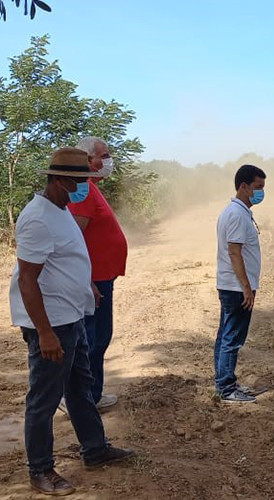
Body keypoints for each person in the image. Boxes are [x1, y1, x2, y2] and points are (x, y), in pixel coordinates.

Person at [9, 147, 133, 496]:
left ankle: (95, 449)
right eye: (79, 181)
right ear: (60, 181)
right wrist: (45, 333)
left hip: (72, 316)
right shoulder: (37, 218)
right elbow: (27, 280)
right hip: (52, 325)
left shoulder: (61, 209)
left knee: (80, 388)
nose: (84, 187)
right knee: (44, 400)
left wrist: (87, 285)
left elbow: (67, 258)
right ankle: (41, 470)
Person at [64, 137, 127, 411]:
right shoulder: (83, 192)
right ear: (88, 161)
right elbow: (73, 239)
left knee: (98, 337)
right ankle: (82, 398)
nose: (108, 160)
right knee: (93, 339)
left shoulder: (91, 188)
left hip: (100, 278)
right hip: (94, 281)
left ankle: (91, 394)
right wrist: (86, 280)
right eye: (105, 155)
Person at [215, 164, 267, 403]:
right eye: (257, 187)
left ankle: (224, 382)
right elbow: (235, 252)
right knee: (232, 337)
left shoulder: (238, 211)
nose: (261, 192)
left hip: (232, 286)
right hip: (236, 288)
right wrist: (246, 287)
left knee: (225, 335)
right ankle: (227, 389)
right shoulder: (236, 214)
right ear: (243, 186)